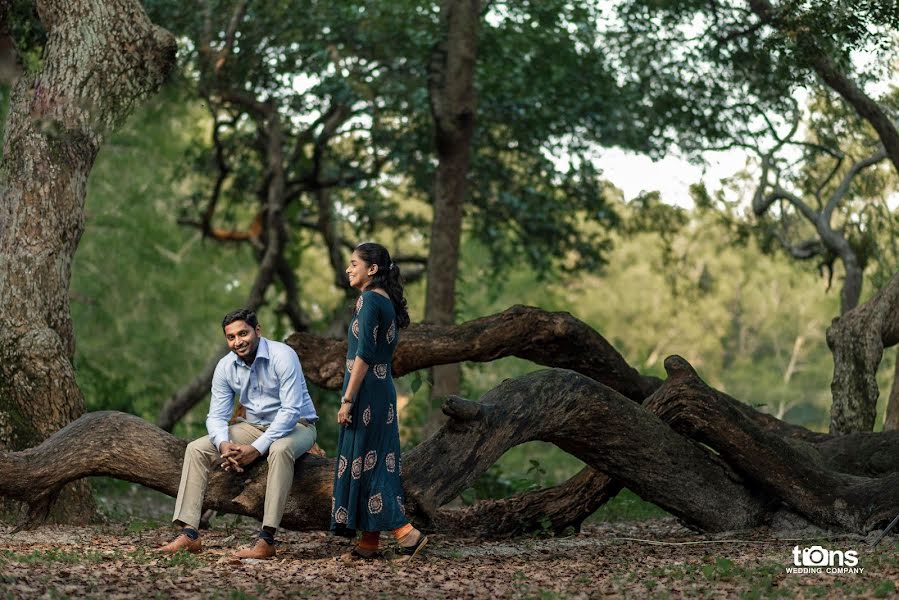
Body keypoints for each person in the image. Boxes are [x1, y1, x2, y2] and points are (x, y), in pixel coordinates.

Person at [157, 308, 319, 559]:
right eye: (231, 337)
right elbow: (216, 416)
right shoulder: (225, 366)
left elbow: (290, 411)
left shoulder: (283, 356)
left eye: (243, 333)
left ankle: (266, 539)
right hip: (252, 426)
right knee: (196, 448)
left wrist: (256, 449)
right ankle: (190, 534)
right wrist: (223, 444)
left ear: (257, 330)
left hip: (297, 425)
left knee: (279, 449)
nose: (237, 341)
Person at [330, 242, 428, 561]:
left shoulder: (369, 299)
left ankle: (406, 534)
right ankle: (369, 543)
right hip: (380, 389)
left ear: (372, 270)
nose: (348, 268)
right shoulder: (382, 300)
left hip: (366, 390)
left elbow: (364, 355)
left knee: (369, 465)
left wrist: (347, 399)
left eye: (354, 263)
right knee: (369, 461)